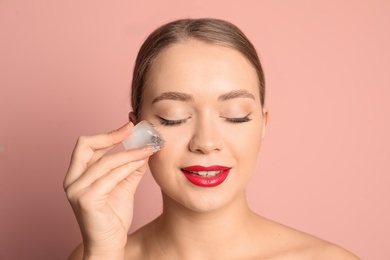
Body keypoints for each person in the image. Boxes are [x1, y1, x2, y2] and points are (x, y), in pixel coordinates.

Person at [64, 18, 359, 259]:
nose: (205, 142)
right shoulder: (96, 255)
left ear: (263, 125)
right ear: (137, 133)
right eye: (173, 117)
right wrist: (103, 252)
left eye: (235, 115)